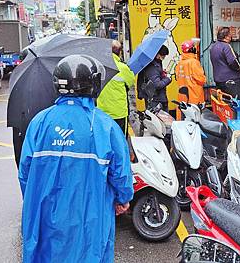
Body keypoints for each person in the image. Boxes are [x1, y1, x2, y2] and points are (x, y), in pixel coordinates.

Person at [18, 54, 133, 263]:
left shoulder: (39, 123)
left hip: (46, 217)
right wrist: (122, 199)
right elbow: (121, 174)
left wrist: (37, 200)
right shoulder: (105, 126)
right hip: (90, 218)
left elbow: (25, 173)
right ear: (93, 84)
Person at [97, 40, 135, 137]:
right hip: (119, 112)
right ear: (120, 52)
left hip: (102, 110)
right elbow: (130, 82)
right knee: (120, 139)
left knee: (105, 138)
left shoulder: (99, 66)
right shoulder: (123, 68)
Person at [210, 27, 240, 98]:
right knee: (234, 103)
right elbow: (233, 61)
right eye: (230, 34)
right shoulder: (226, 46)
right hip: (230, 80)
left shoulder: (213, 47)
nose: (231, 36)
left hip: (218, 80)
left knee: (223, 103)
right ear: (226, 36)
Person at [138, 45, 172, 111]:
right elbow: (157, 85)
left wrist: (162, 74)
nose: (164, 57)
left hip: (155, 98)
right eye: (163, 55)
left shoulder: (155, 64)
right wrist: (168, 79)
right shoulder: (152, 67)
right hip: (156, 100)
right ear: (157, 54)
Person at [176, 39, 206, 104]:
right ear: (191, 49)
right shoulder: (194, 62)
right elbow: (201, 80)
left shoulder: (180, 63)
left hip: (183, 97)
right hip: (194, 97)